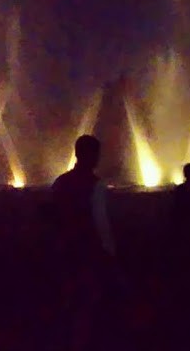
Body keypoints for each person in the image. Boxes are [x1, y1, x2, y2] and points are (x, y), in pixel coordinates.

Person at [51, 135, 116, 350]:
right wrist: (110, 252)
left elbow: (53, 216)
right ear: (92, 155)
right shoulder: (96, 185)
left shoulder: (60, 182)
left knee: (68, 302)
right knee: (89, 304)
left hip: (64, 250)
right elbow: (101, 223)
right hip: (88, 252)